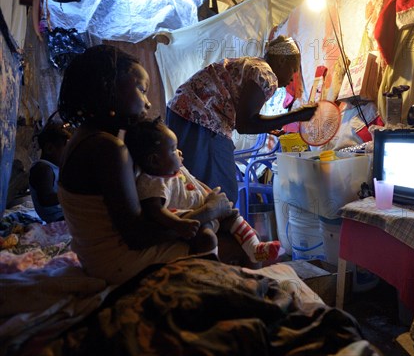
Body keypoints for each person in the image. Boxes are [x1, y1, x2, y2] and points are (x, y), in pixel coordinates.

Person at [56, 45, 248, 285]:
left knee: (218, 234)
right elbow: (137, 236)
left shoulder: (89, 136)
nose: (147, 102)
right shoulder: (108, 149)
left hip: (96, 257)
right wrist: (208, 211)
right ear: (110, 88)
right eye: (141, 89)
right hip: (117, 261)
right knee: (234, 247)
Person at [166, 35, 317, 206]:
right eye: (293, 69)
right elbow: (245, 125)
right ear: (281, 61)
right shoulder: (266, 75)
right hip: (200, 120)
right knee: (222, 194)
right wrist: (297, 115)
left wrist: (268, 125)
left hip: (181, 112)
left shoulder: (252, 64)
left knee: (193, 187)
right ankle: (213, 230)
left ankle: (200, 227)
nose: (292, 78)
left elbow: (245, 117)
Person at [124, 118, 282, 263]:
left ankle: (254, 247)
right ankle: (211, 268)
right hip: (193, 223)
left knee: (234, 217)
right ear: (154, 160)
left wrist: (212, 196)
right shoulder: (153, 182)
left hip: (206, 213)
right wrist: (178, 224)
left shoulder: (174, 170)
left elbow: (196, 184)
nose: (179, 152)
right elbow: (155, 210)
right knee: (207, 238)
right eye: (173, 150)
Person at [29, 121, 72, 223]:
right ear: (49, 148)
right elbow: (46, 199)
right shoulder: (43, 168)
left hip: (62, 216)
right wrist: (71, 195)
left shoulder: (53, 167)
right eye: (66, 150)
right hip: (57, 218)